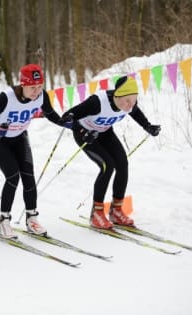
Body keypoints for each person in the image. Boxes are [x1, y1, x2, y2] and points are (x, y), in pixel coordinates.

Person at [0, 64, 72, 239]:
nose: (36, 91)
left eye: (39, 86)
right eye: (32, 87)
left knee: (28, 175)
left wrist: (63, 122)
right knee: (12, 176)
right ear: (23, 84)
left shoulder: (41, 96)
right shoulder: (6, 98)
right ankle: (4, 220)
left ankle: (32, 218)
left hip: (20, 137)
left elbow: (50, 113)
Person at [61, 76, 161, 229]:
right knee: (107, 165)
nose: (130, 105)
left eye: (134, 100)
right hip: (85, 135)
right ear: (117, 96)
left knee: (122, 164)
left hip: (105, 132)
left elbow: (135, 112)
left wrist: (147, 126)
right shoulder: (97, 102)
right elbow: (67, 118)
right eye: (127, 101)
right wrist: (82, 130)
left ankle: (116, 210)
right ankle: (97, 214)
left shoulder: (129, 102)